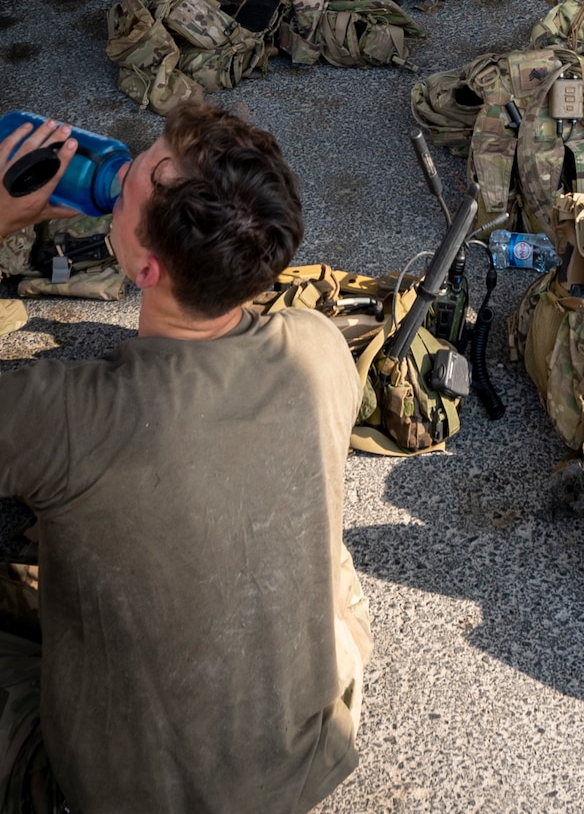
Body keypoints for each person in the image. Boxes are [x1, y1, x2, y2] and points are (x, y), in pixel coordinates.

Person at [0, 108, 370, 812]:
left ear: (145, 266)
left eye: (129, 176)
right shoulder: (319, 347)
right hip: (304, 760)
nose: (118, 170)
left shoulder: (67, 414)